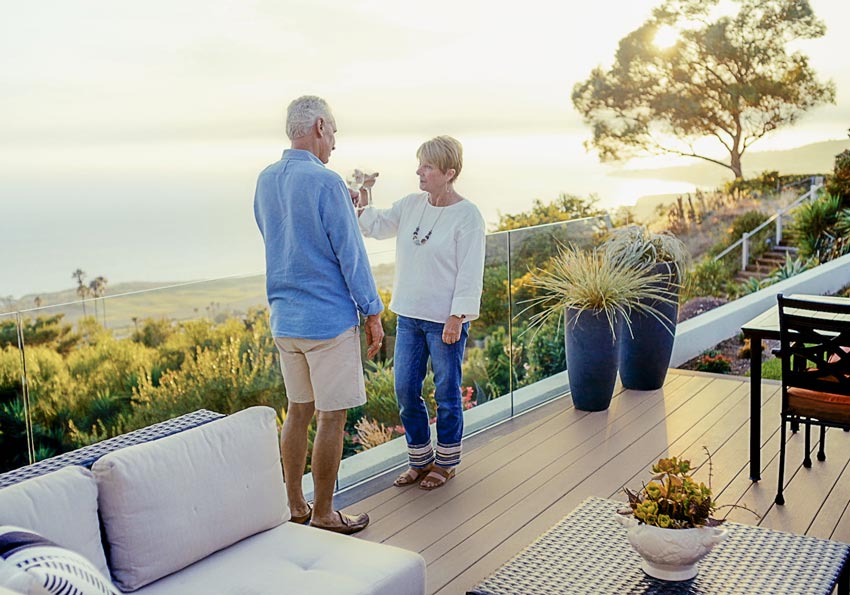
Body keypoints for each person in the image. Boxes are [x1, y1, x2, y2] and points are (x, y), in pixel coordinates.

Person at [254, 95, 384, 534]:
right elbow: (351, 255)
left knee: (297, 410)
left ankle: (295, 505)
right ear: (320, 127)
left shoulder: (266, 179)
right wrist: (372, 312)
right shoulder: (325, 182)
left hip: (285, 321)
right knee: (331, 416)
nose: (334, 145)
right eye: (334, 135)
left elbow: (282, 235)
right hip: (327, 322)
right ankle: (325, 512)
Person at [354, 135, 485, 490]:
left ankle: (446, 463)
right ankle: (420, 459)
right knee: (405, 390)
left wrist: (458, 316)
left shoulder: (467, 216)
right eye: (420, 164)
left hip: (445, 320)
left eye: (427, 166)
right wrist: (365, 196)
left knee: (446, 392)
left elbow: (471, 271)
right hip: (409, 317)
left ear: (449, 172)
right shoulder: (412, 204)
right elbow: (375, 226)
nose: (419, 172)